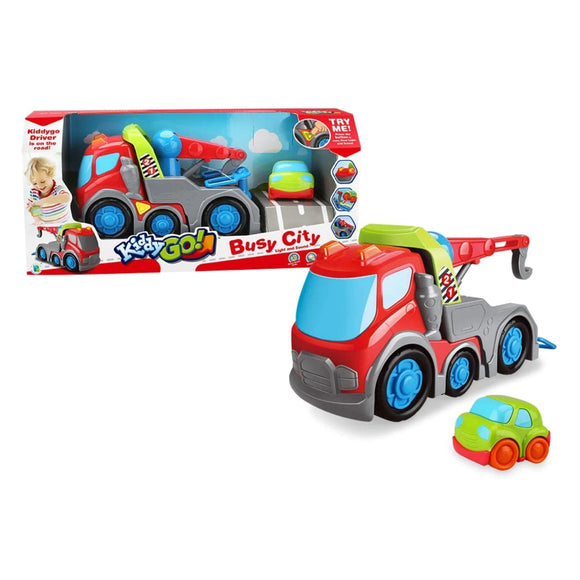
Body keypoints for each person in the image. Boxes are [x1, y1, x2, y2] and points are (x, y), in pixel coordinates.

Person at [26, 157, 73, 224]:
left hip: (63, 224)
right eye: (34, 183)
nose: (39, 186)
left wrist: (44, 201)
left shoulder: (58, 189)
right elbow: (34, 209)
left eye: (42, 181)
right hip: (46, 225)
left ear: (51, 175)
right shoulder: (34, 193)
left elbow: (66, 198)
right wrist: (37, 220)